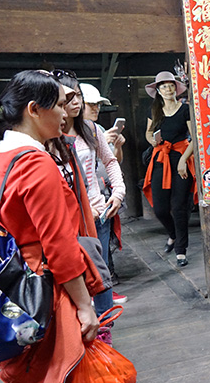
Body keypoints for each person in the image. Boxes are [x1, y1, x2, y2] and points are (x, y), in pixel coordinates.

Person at [0, 70, 101, 382]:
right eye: (56, 105)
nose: (63, 114)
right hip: (44, 288)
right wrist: (85, 306)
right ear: (33, 109)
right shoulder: (35, 163)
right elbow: (60, 246)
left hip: (12, 286)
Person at [55, 71, 126, 340]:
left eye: (78, 96)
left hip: (100, 211)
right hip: (71, 218)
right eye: (69, 96)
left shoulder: (92, 130)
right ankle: (78, 331)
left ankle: (105, 330)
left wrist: (118, 192)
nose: (75, 102)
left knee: (102, 269)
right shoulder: (51, 134)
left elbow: (110, 162)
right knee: (74, 270)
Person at [141, 71, 195, 267]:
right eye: (163, 86)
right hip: (160, 159)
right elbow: (148, 132)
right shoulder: (154, 110)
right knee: (161, 208)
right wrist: (153, 141)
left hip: (181, 157)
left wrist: (184, 160)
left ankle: (181, 250)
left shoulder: (185, 109)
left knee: (179, 207)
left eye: (170, 85)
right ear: (158, 90)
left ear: (176, 88)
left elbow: (195, 137)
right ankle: (172, 234)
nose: (167, 89)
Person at [80, 82, 126, 288]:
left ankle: (107, 289)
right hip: (81, 204)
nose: (96, 108)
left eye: (98, 105)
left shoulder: (96, 129)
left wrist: (114, 145)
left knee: (103, 248)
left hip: (101, 196)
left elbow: (112, 161)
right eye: (91, 104)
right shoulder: (63, 132)